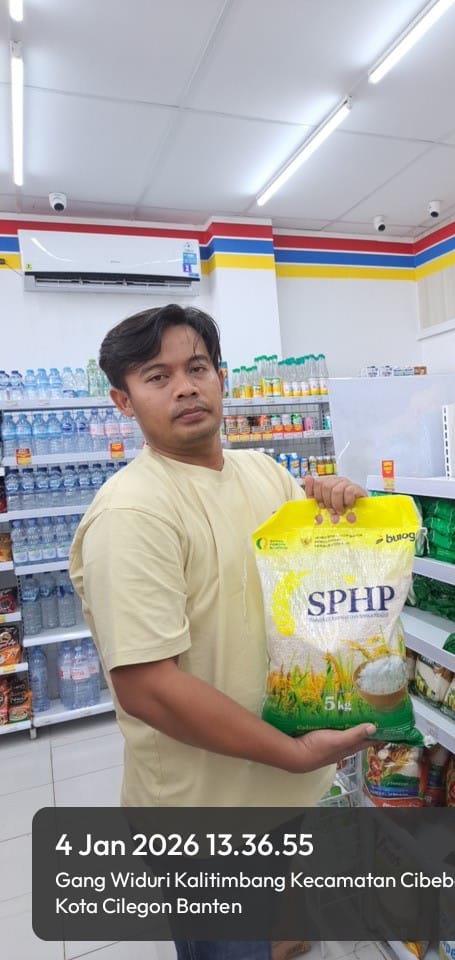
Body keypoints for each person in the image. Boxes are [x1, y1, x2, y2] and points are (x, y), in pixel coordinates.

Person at [68, 304, 374, 960]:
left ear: (221, 378)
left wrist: (338, 511)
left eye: (197, 368)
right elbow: (148, 687)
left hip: (281, 783)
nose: (184, 387)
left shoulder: (266, 474)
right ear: (123, 401)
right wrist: (295, 752)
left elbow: (310, 587)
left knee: (274, 923)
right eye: (157, 377)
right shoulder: (132, 512)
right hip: (205, 814)